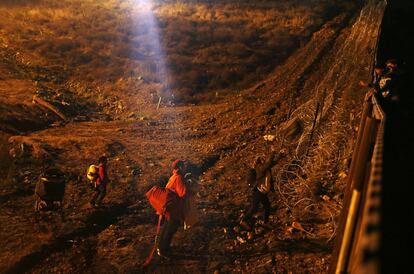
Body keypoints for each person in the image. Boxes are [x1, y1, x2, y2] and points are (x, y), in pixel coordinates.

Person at [241, 147, 288, 228]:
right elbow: (269, 163)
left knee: (267, 207)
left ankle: (265, 222)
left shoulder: (266, 168)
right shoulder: (259, 169)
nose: (264, 161)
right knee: (254, 208)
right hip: (257, 192)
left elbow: (273, 162)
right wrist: (273, 152)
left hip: (263, 192)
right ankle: (243, 221)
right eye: (263, 160)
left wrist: (280, 154)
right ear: (259, 163)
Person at [157, 159, 188, 258]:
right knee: (170, 229)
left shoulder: (174, 176)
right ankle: (163, 250)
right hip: (174, 209)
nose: (185, 168)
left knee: (166, 227)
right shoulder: (178, 178)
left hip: (169, 208)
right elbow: (183, 193)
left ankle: (160, 246)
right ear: (179, 167)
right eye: (183, 166)